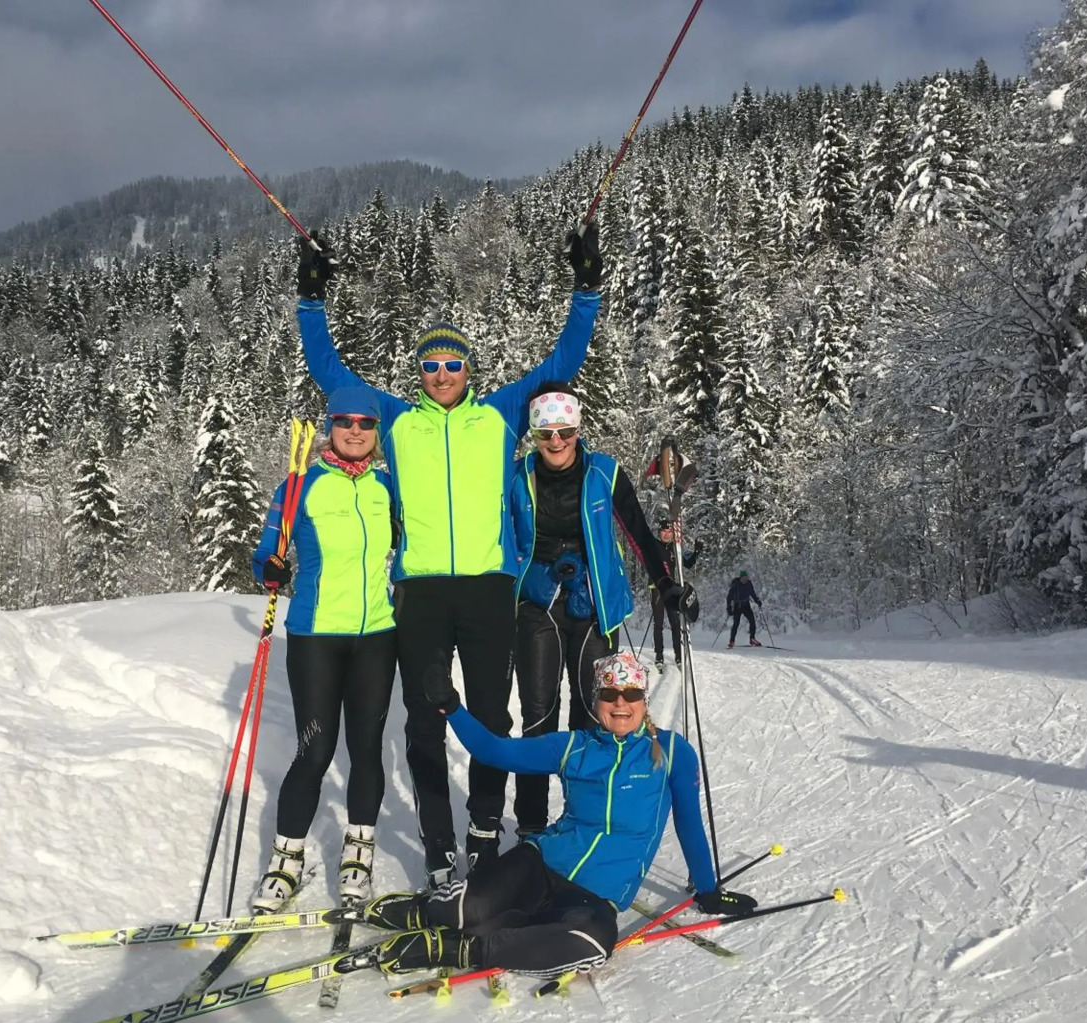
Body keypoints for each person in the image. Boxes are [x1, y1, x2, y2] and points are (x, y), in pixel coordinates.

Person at [295, 223, 604, 886]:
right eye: (431, 365)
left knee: (495, 717)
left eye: (452, 363)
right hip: (423, 593)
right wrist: (311, 298)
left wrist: (586, 288)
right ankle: (439, 850)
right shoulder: (397, 420)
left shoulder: (498, 415)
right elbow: (331, 375)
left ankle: (486, 836)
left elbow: (561, 367)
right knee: (426, 720)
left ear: (469, 370)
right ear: (419, 373)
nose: (441, 374)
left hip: (490, 588)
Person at [360, 653, 757, 978]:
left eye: (632, 692)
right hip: (538, 864)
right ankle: (425, 910)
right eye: (610, 693)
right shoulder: (573, 747)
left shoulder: (671, 752)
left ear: (644, 700)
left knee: (594, 940)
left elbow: (689, 822)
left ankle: (468, 950)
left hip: (593, 896)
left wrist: (707, 890)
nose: (621, 702)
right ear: (596, 699)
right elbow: (495, 752)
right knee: (461, 911)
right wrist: (451, 706)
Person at [246, 386, 397, 914]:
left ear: (377, 433)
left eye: (366, 422)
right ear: (329, 426)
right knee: (314, 752)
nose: (355, 429)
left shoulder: (386, 487)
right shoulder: (298, 486)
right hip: (314, 636)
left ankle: (359, 850)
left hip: (377, 635)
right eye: (345, 420)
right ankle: (285, 860)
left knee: (366, 749)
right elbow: (267, 549)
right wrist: (268, 566)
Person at [509, 383, 681, 838]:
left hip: (595, 606)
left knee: (593, 717)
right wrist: (530, 576)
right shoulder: (517, 476)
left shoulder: (605, 472)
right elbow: (499, 546)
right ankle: (530, 827)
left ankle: (582, 820)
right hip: (537, 604)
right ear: (534, 434)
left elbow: (638, 533)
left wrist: (666, 583)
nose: (557, 442)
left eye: (565, 430)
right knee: (538, 717)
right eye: (546, 433)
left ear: (577, 427)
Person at [650, 520, 701, 672]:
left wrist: (696, 552)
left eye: (669, 532)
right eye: (664, 532)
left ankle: (678, 655)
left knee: (674, 623)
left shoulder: (676, 548)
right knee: (658, 623)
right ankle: (659, 655)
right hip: (657, 588)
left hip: (672, 589)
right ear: (659, 533)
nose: (666, 535)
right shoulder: (653, 546)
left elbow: (688, 563)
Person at [726, 570, 763, 648]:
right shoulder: (736, 585)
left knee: (752, 621)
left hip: (746, 605)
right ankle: (732, 641)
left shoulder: (749, 584)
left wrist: (757, 601)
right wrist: (729, 607)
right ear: (740, 578)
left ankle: (752, 639)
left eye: (746, 578)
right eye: (743, 578)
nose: (744, 580)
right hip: (737, 605)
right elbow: (729, 597)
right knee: (736, 623)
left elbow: (752, 594)